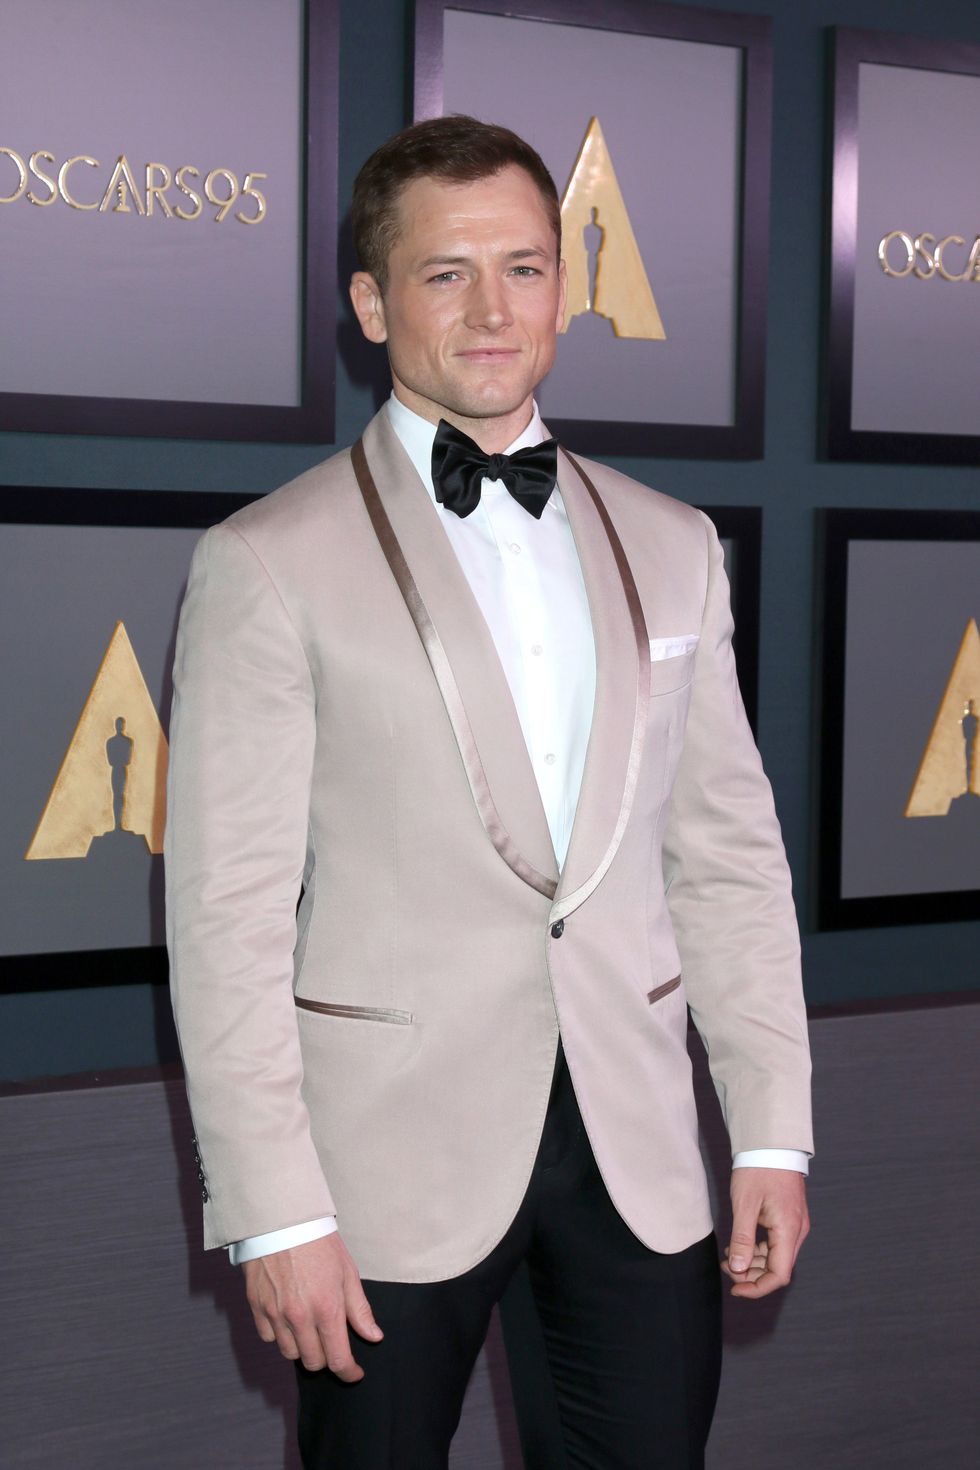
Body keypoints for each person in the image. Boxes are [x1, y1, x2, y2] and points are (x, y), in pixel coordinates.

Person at [165, 116, 812, 1470]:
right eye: (445, 273)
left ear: (563, 292)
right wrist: (276, 1210)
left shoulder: (675, 544)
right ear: (370, 302)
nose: (491, 308)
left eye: (522, 267)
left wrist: (771, 1130)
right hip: (382, 1168)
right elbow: (226, 916)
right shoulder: (267, 562)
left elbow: (729, 862)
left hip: (637, 1154)